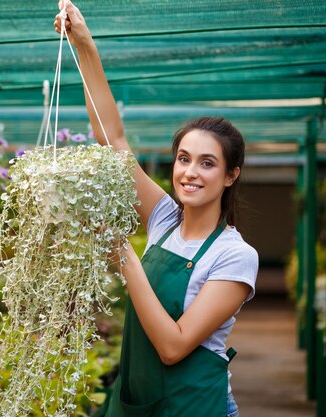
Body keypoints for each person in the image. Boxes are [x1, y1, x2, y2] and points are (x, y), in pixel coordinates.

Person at [54, 2, 259, 417]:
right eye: (184, 159)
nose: (190, 173)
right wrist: (84, 44)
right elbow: (113, 139)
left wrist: (125, 256)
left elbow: (173, 346)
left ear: (231, 175)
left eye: (207, 163)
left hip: (195, 407)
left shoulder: (235, 256)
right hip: (140, 403)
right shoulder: (165, 219)